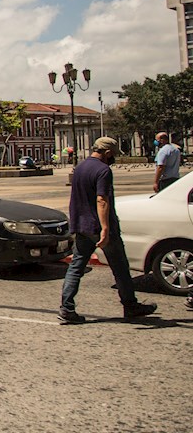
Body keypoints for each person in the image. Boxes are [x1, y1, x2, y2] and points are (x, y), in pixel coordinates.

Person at [58, 136, 157, 324]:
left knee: (76, 267)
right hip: (99, 226)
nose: (113, 159)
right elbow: (101, 200)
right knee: (120, 267)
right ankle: (130, 305)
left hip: (81, 225)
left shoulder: (80, 168)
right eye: (113, 155)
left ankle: (66, 307)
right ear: (107, 152)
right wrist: (105, 229)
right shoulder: (103, 170)